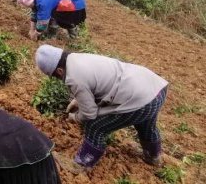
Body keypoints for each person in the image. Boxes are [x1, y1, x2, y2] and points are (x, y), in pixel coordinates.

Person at [34, 45, 169, 174]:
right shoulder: (76, 57)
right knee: (145, 125)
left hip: (141, 100)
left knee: (95, 126)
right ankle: (153, 157)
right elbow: (97, 82)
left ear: (59, 71)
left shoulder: (73, 78)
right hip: (154, 88)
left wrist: (74, 117)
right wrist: (79, 99)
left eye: (55, 76)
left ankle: (82, 163)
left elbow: (89, 114)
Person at [15, 0, 87, 41]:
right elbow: (34, 13)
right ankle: (54, 37)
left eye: (29, 5)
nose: (30, 7)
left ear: (31, 2)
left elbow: (43, 22)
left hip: (75, 4)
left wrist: (35, 34)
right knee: (55, 16)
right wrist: (31, 30)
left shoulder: (42, 1)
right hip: (65, 3)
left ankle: (70, 38)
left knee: (64, 20)